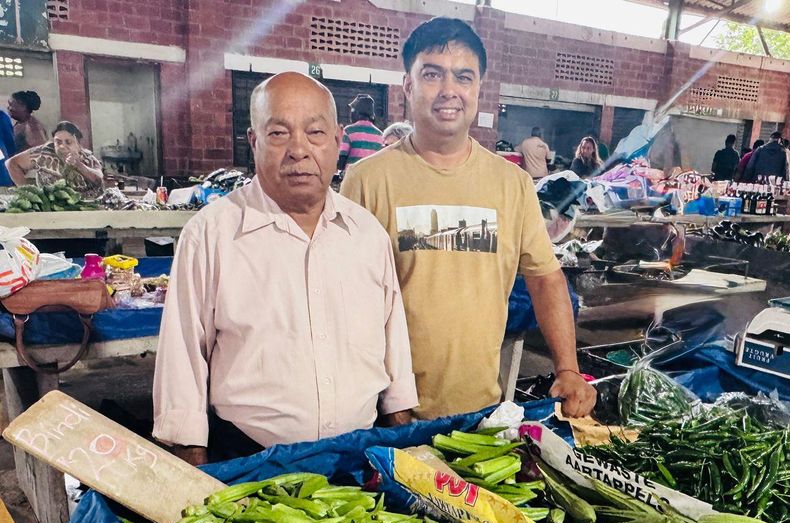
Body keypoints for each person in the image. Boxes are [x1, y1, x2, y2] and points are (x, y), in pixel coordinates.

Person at [152, 72, 417, 465]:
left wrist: (404, 441)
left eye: (315, 133)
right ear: (253, 142)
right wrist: (196, 473)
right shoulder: (211, 234)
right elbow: (183, 360)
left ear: (337, 140)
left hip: (362, 458)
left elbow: (393, 345)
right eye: (278, 134)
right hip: (251, 461)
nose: (299, 150)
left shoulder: (366, 234)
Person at [342, 17, 595, 420]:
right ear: (407, 85)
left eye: (464, 77)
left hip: (478, 411)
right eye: (432, 74)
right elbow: (346, 300)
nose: (449, 91)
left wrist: (567, 368)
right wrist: (383, 400)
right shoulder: (367, 179)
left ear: (478, 88)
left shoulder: (511, 183)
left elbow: (546, 278)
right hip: (385, 416)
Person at [7, 121, 104, 196]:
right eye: (58, 142)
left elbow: (98, 179)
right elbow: (11, 163)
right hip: (50, 210)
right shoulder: (43, 152)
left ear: (78, 144)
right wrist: (29, 194)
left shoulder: (88, 157)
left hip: (84, 210)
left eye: (68, 142)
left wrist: (79, 165)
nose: (62, 146)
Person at [337, 94, 382, 173]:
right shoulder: (380, 135)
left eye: (352, 110)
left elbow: (341, 160)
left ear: (356, 112)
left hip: (352, 177)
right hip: (372, 178)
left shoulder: (349, 131)